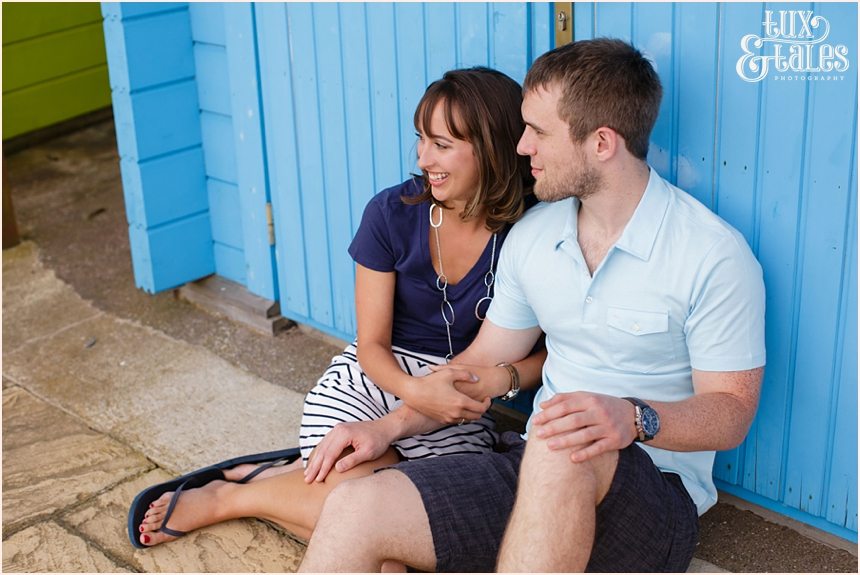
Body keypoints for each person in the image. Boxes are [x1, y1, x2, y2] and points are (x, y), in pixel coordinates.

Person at [299, 38, 766, 573]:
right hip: (533, 466)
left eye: (539, 132)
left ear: (602, 142)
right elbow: (478, 364)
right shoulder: (536, 237)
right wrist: (386, 429)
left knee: (560, 444)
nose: (522, 148)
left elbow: (730, 413)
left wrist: (633, 418)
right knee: (356, 507)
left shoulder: (712, 255)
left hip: (652, 490)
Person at [131, 66, 546, 549]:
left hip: (461, 401)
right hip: (378, 378)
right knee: (372, 508)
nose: (423, 157)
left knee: (417, 517)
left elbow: (551, 354)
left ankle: (251, 487)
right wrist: (414, 390)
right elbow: (370, 344)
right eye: (421, 139)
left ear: (491, 147)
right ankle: (223, 498)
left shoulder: (533, 231)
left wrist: (494, 382)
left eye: (442, 145)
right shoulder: (391, 213)